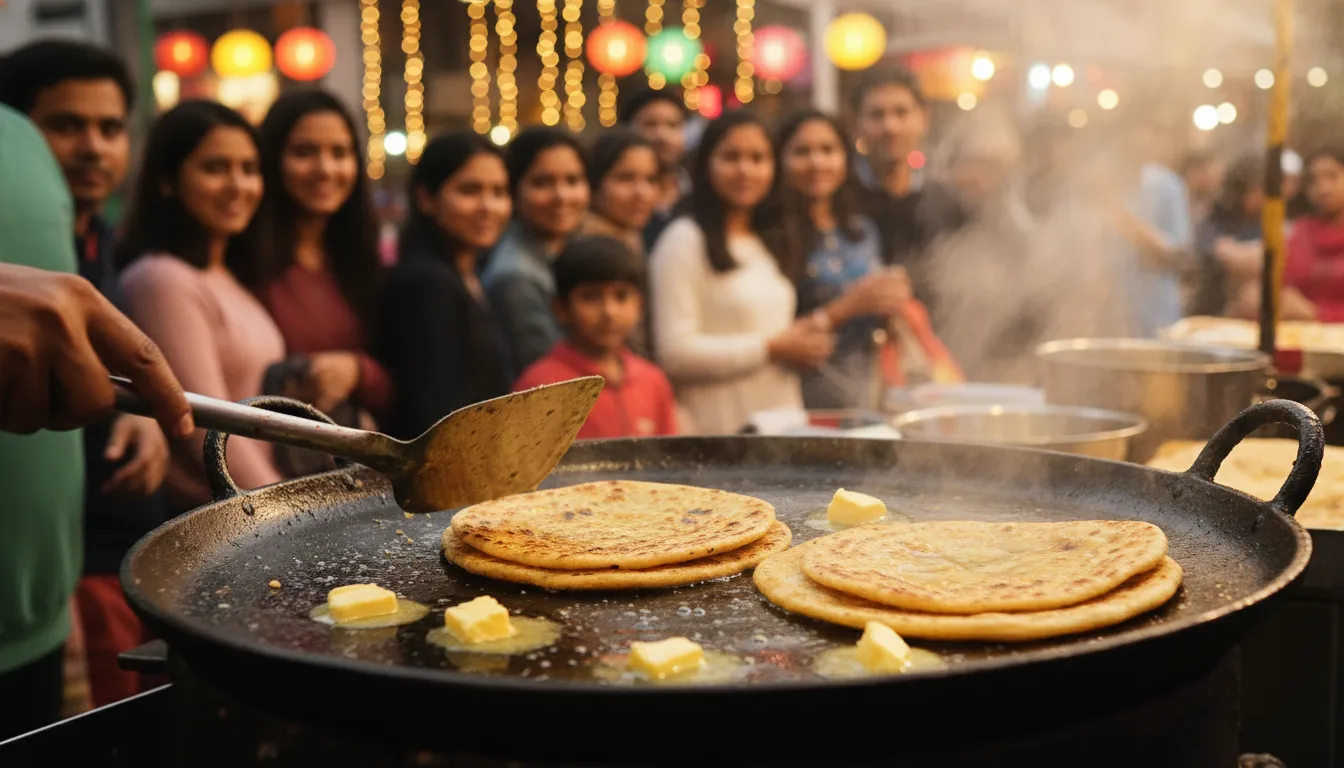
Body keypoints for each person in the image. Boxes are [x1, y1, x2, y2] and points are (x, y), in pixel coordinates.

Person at [0, 97, 190, 739]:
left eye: (111, 128)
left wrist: (126, 407)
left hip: (37, 613)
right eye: (73, 123)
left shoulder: (20, 137)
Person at [116, 101, 285, 511]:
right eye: (215, 168)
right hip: (224, 523)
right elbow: (211, 429)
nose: (238, 185)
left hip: (256, 513)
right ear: (167, 181)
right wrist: (299, 518)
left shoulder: (226, 275)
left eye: (249, 168)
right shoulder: (162, 279)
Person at [649, 111, 834, 435]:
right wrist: (771, 348)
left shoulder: (767, 240)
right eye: (731, 157)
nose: (745, 170)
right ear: (706, 164)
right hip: (721, 437)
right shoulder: (683, 241)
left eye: (758, 158)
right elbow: (675, 354)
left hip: (783, 430)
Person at [247, 90, 392, 441]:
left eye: (339, 153)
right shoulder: (245, 261)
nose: (325, 169)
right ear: (271, 159)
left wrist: (358, 371)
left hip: (350, 463)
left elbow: (403, 381)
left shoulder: (363, 259)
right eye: (304, 152)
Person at [766, 109, 926, 408]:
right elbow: (769, 339)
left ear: (845, 158)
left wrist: (892, 302)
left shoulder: (860, 230)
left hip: (867, 394)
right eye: (802, 151)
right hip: (799, 401)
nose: (817, 162)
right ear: (780, 160)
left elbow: (878, 317)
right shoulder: (769, 238)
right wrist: (849, 306)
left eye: (828, 150)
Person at [379, 132, 513, 439]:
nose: (488, 207)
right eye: (469, 190)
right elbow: (437, 418)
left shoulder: (466, 272)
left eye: (499, 192)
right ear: (426, 198)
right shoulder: (429, 283)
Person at [514, 236, 677, 438]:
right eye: (591, 297)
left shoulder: (653, 381)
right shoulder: (540, 387)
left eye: (622, 296)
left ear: (640, 306)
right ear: (561, 308)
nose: (610, 311)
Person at [481, 127, 590, 374]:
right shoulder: (515, 276)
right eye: (542, 182)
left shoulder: (569, 250)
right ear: (514, 191)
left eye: (573, 181)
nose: (561, 196)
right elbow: (550, 379)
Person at [848, 66, 964, 297]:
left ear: (924, 118)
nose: (890, 127)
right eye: (876, 115)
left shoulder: (947, 203)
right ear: (856, 123)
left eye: (901, 113)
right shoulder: (842, 202)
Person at [1192, 155, 1264, 317]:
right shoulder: (1217, 218)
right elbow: (1223, 254)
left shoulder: (1263, 220)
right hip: (1214, 306)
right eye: (1257, 189)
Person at [1280, 147, 1344, 321]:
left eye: (1332, 176)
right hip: (1304, 338)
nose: (1323, 188)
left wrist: (1317, 313)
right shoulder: (1302, 232)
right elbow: (1286, 283)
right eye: (1313, 181)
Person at [577, 128, 660, 258]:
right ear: (594, 185)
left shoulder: (631, 240)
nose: (642, 193)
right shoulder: (587, 252)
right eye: (626, 178)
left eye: (650, 180)